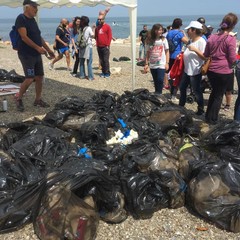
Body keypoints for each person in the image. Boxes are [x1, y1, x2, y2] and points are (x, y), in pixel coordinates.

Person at [15, 0, 55, 112]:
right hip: (26, 54)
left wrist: (48, 49)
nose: (36, 9)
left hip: (36, 54)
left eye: (36, 7)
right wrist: (37, 48)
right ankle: (19, 98)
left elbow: (38, 37)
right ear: (27, 7)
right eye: (34, 7)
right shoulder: (21, 18)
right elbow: (24, 37)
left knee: (39, 77)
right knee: (29, 78)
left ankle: (37, 100)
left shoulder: (33, 20)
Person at [204, 12, 238, 125]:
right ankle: (213, 119)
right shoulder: (230, 39)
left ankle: (208, 116)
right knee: (219, 96)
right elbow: (232, 58)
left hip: (211, 69)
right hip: (223, 70)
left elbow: (206, 53)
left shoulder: (212, 37)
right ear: (233, 25)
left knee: (214, 92)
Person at [179, 21, 206, 115]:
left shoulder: (201, 41)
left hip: (195, 71)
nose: (188, 31)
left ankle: (201, 109)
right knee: (182, 88)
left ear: (194, 30)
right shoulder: (191, 41)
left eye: (189, 30)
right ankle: (181, 106)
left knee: (196, 91)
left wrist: (195, 50)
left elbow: (205, 57)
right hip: (187, 70)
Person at [166, 18, 188, 102]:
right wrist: (184, 34)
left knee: (170, 75)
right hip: (177, 57)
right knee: (177, 76)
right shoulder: (179, 33)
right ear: (180, 25)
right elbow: (187, 41)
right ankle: (174, 95)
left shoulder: (169, 33)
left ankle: (171, 91)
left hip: (170, 55)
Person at [144, 24, 169, 95]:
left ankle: (159, 93)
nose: (160, 31)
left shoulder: (164, 39)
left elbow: (167, 51)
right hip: (153, 63)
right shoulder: (149, 40)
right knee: (155, 80)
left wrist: (167, 63)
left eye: (161, 30)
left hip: (161, 63)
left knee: (160, 79)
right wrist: (146, 64)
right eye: (158, 30)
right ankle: (156, 93)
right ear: (154, 30)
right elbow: (147, 53)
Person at [78, 16, 95, 81]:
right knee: (89, 62)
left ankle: (82, 75)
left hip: (81, 46)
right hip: (88, 46)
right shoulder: (88, 28)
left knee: (81, 61)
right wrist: (93, 28)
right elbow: (93, 36)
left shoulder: (80, 28)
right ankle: (90, 77)